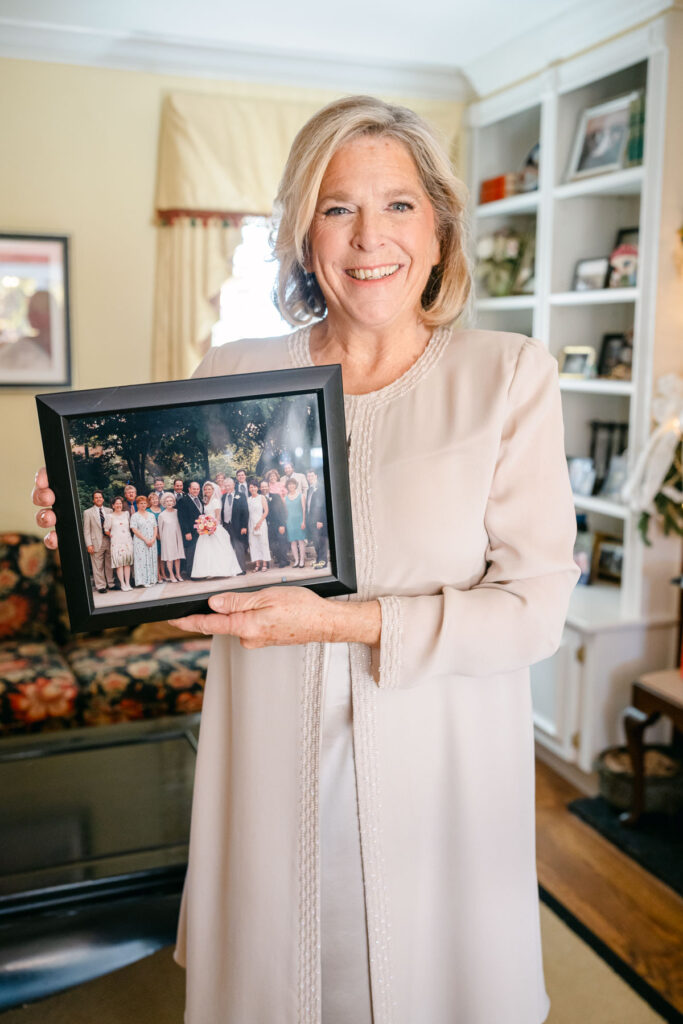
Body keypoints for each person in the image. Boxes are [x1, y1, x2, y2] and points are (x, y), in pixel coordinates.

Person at [33, 95, 579, 1024]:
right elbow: (198, 609)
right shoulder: (232, 371)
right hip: (272, 774)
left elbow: (532, 608)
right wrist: (94, 552)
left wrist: (339, 622)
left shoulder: (507, 374)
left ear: (440, 230)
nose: (370, 237)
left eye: (399, 205)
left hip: (436, 784)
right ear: (302, 233)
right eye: (337, 207)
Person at [191, 481, 242, 580]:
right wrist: (204, 526)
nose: (207, 491)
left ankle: (222, 570)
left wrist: (212, 528)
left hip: (215, 527)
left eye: (209, 489)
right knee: (206, 550)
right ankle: (209, 571)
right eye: (205, 489)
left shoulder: (215, 501)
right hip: (206, 528)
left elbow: (218, 517)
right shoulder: (205, 501)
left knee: (218, 549)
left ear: (213, 490)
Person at [82, 490, 115, 593]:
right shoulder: (88, 512)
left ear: (103, 499)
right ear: (93, 500)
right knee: (97, 565)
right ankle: (101, 586)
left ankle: (111, 583)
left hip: (109, 540)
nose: (98, 499)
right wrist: (89, 545)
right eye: (96, 497)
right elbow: (86, 530)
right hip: (96, 542)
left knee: (109, 564)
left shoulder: (109, 511)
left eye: (100, 497)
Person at [103, 496, 133, 591]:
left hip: (127, 541)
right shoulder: (109, 516)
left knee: (127, 563)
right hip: (116, 542)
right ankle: (123, 584)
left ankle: (128, 583)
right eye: (116, 504)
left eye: (120, 503)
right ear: (113, 505)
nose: (118, 505)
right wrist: (112, 535)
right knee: (119, 563)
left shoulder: (126, 514)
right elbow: (106, 529)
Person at [220, 477, 248, 573]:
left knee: (239, 547)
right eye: (226, 486)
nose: (227, 487)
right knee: (229, 548)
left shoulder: (241, 495)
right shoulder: (223, 497)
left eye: (229, 485)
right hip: (226, 525)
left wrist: (244, 526)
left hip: (238, 525)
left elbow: (245, 512)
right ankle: (232, 569)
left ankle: (242, 569)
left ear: (233, 485)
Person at [129, 494, 158, 587]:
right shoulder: (134, 516)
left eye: (145, 503)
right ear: (137, 504)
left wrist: (153, 538)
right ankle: (143, 581)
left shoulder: (151, 515)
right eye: (141, 503)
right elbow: (134, 530)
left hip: (152, 541)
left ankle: (152, 579)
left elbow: (155, 527)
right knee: (142, 560)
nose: (143, 505)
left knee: (151, 559)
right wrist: (145, 539)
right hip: (140, 541)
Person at [176, 481, 203, 577]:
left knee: (198, 552)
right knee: (190, 553)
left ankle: (198, 572)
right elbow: (182, 518)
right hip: (190, 532)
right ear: (189, 489)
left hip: (200, 531)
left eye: (197, 489)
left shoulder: (200, 499)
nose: (196, 491)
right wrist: (187, 532)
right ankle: (191, 573)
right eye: (194, 489)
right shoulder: (183, 500)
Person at [260, 478, 288, 568]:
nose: (264, 488)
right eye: (262, 487)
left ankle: (283, 561)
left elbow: (282, 511)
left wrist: (282, 524)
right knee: (272, 545)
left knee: (282, 542)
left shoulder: (276, 496)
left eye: (265, 486)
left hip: (278, 524)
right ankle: (281, 559)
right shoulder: (259, 498)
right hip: (267, 526)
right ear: (260, 488)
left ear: (268, 487)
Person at [158, 493, 184, 583]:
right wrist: (162, 540)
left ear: (173, 502)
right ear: (164, 503)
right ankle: (171, 575)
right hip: (167, 537)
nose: (169, 503)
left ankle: (178, 574)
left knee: (177, 557)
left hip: (177, 536)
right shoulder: (162, 515)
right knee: (170, 557)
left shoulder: (177, 512)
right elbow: (160, 530)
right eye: (167, 501)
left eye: (171, 501)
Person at [305, 470, 328, 569]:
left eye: (311, 476)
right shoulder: (309, 489)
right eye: (308, 476)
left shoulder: (321, 488)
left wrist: (321, 520)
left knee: (322, 541)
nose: (310, 478)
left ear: (316, 476)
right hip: (311, 520)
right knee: (316, 541)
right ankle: (319, 560)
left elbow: (323, 505)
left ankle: (323, 562)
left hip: (319, 520)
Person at [246, 479, 270, 572]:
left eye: (254, 487)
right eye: (251, 487)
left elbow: (266, 511)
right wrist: (253, 524)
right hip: (251, 523)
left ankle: (264, 564)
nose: (253, 489)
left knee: (262, 542)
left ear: (258, 488)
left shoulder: (261, 497)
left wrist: (259, 523)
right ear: (249, 489)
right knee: (254, 544)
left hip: (261, 522)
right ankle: (257, 564)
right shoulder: (248, 499)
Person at [284, 476, 306, 568]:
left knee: (301, 541)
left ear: (295, 485)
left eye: (292, 484)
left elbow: (304, 509)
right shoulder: (285, 498)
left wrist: (303, 521)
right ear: (287, 486)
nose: (291, 486)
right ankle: (296, 560)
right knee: (292, 542)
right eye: (289, 484)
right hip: (290, 522)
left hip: (299, 520)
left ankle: (302, 560)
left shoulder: (301, 496)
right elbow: (285, 511)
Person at [147, 491, 168, 582]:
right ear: (149, 501)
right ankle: (158, 575)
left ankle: (163, 573)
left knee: (162, 556)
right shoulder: (148, 511)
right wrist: (157, 535)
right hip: (154, 536)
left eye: (156, 499)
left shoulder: (163, 509)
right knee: (156, 557)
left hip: (164, 535)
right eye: (153, 499)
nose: (155, 500)